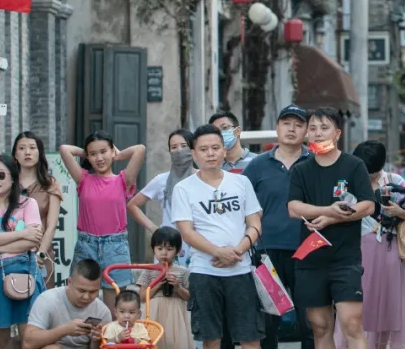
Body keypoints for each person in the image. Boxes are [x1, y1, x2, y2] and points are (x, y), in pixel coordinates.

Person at [287, 108, 376, 349]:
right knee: (320, 326)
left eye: (324, 128)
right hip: (311, 259)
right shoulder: (301, 169)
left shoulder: (354, 165)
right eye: (313, 128)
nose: (318, 133)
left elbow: (368, 205)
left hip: (345, 259)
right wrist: (327, 211)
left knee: (352, 323)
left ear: (337, 133)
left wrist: (333, 219)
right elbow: (293, 208)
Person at [172, 124, 264, 349]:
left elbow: (255, 225)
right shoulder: (183, 188)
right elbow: (187, 232)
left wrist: (237, 251)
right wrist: (218, 252)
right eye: (203, 149)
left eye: (215, 148)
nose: (210, 154)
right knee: (211, 339)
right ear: (194, 154)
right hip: (204, 272)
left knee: (250, 337)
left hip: (241, 271)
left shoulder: (241, 182)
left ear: (224, 150)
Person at [242, 105, 314, 349]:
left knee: (310, 321)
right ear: (277, 127)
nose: (291, 129)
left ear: (306, 131)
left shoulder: (315, 163)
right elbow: (242, 204)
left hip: (307, 252)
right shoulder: (258, 165)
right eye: (286, 123)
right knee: (268, 322)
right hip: (267, 253)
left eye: (298, 125)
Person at [59, 133, 146, 310]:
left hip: (115, 247)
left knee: (113, 308)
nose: (99, 158)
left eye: (103, 152)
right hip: (86, 245)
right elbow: (64, 150)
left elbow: (140, 150)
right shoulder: (83, 179)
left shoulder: (123, 180)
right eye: (93, 154)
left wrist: (118, 155)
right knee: (79, 301)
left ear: (112, 151)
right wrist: (88, 153)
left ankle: (109, 333)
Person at [0, 154, 44, 348]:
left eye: (1, 175)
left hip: (25, 269)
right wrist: (23, 234)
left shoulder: (28, 204)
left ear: (13, 177)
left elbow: (33, 242)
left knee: (29, 337)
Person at [351, 141, 405, 349]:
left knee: (388, 303)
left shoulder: (395, 181)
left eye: (371, 171)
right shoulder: (350, 180)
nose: (367, 175)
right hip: (359, 247)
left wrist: (399, 212)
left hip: (389, 246)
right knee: (360, 301)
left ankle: (380, 346)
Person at [128, 129, 196, 266]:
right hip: (168, 248)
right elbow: (132, 205)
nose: (179, 151)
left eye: (184, 146)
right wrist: (153, 228)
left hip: (197, 245)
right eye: (174, 147)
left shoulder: (202, 179)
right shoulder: (161, 180)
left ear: (193, 149)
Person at [23, 259, 112, 349]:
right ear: (69, 282)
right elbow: (27, 344)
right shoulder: (48, 300)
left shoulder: (102, 311)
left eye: (93, 292)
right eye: (81, 290)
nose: (86, 297)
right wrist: (65, 330)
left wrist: (96, 340)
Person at [13, 132, 63, 288]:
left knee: (41, 298)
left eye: (32, 148)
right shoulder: (8, 183)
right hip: (11, 252)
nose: (27, 152)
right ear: (15, 154)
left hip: (41, 252)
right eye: (22, 148)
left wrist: (41, 254)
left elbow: (51, 226)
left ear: (39, 152)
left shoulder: (50, 184)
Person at [135, 227, 193, 349]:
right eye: (159, 248)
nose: (164, 253)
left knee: (175, 342)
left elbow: (189, 297)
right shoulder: (149, 270)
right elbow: (142, 297)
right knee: (155, 341)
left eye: (169, 249)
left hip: (176, 314)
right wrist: (157, 284)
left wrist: (178, 287)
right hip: (154, 312)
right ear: (153, 249)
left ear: (177, 251)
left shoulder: (183, 271)